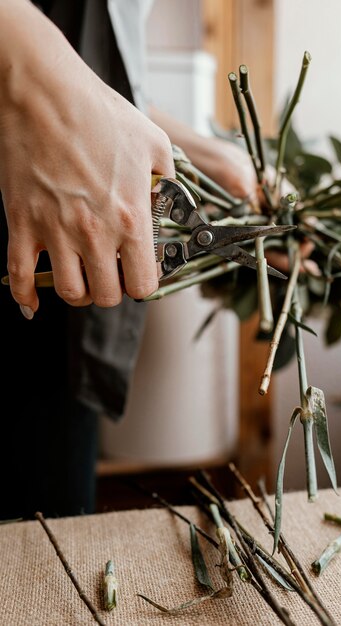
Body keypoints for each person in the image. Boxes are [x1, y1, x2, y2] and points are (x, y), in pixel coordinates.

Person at [0, 0, 263, 519]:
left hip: (64, 303)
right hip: (26, 222)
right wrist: (24, 68)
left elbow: (102, 85)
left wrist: (209, 162)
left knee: (52, 556)